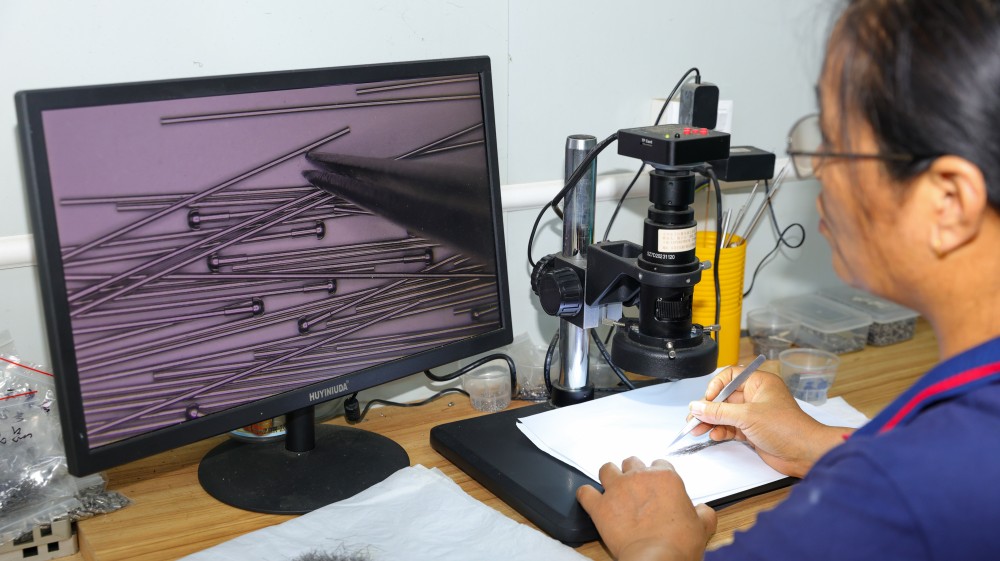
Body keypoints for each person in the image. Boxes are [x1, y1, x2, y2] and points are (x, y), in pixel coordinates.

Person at [576, 0, 1000, 559]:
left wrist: (659, 544)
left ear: (948, 202)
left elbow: (919, 487)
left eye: (836, 140)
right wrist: (817, 444)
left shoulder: (903, 489)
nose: (816, 168)